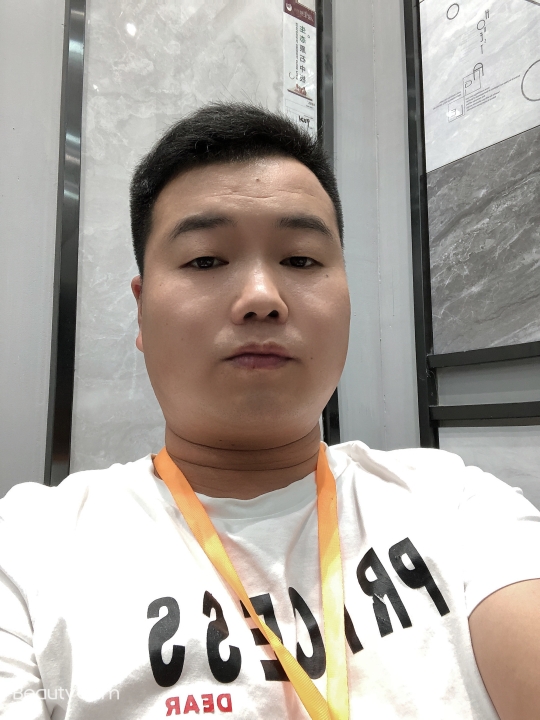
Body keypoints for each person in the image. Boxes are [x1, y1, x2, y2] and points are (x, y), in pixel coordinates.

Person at [1, 104, 540, 720]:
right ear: (142, 309)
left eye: (301, 260)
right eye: (206, 260)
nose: (262, 298)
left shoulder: (456, 503)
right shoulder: (29, 547)